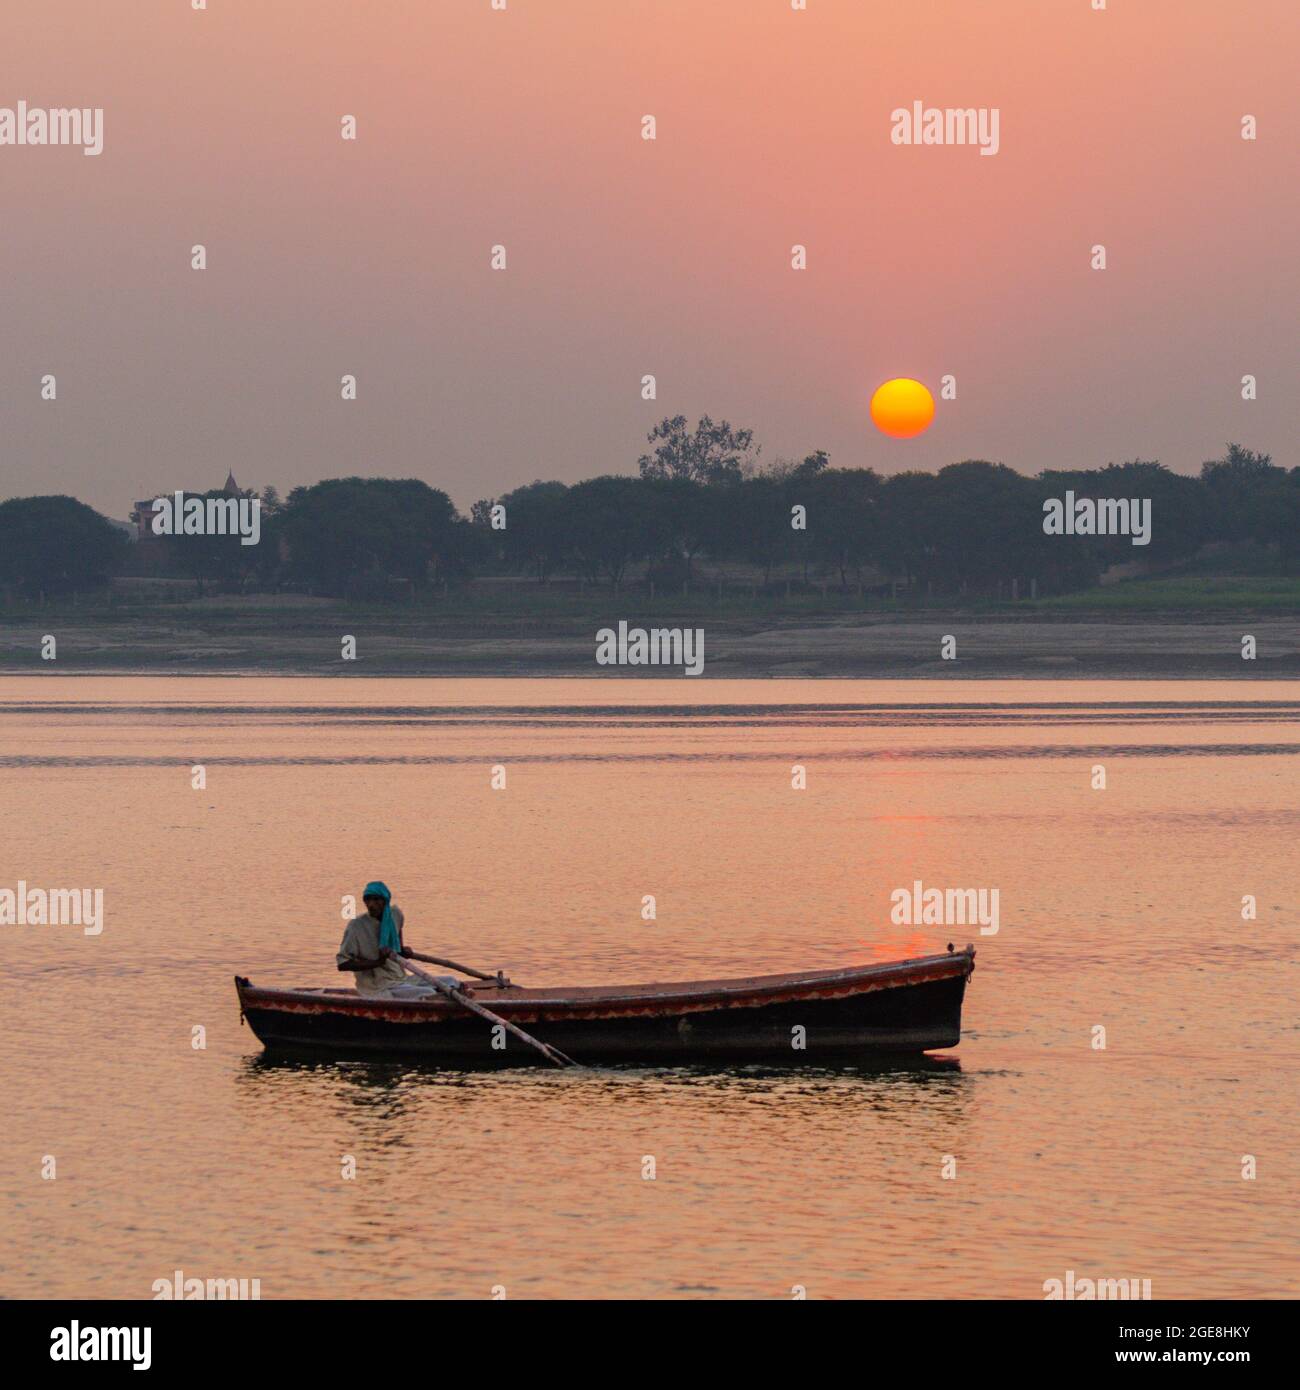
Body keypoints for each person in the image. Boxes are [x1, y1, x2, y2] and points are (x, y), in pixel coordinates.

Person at [336, 881, 463, 999]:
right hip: (378, 985)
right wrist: (378, 962)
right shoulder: (356, 926)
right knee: (427, 993)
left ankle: (451, 995)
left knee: (451, 981)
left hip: (401, 978)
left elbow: (397, 950)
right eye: (367, 900)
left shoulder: (396, 915)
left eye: (376, 899)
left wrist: (404, 951)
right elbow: (343, 964)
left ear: (385, 901)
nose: (371, 905)